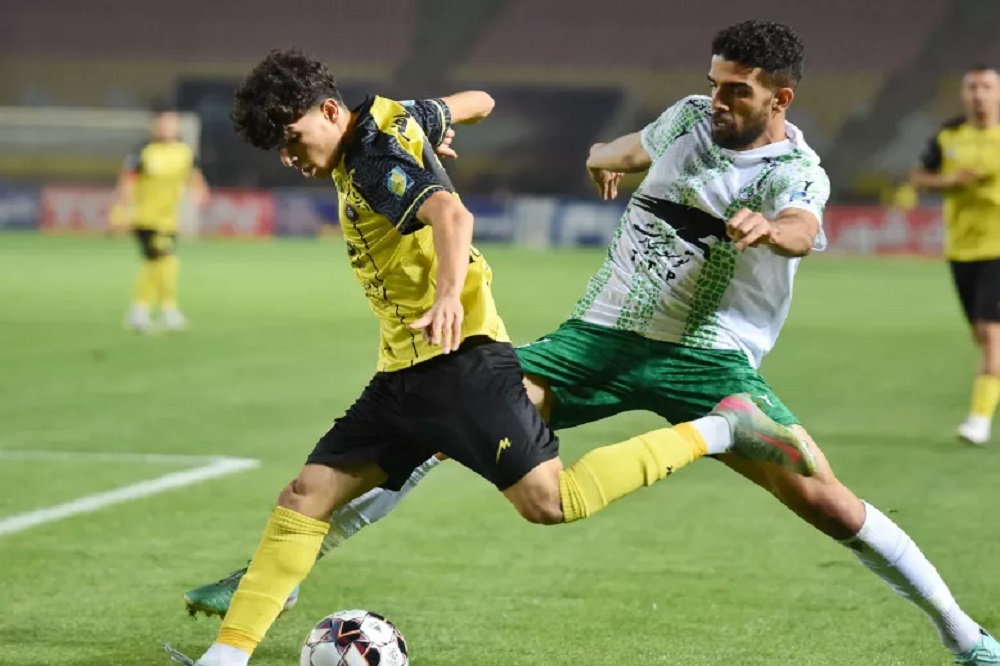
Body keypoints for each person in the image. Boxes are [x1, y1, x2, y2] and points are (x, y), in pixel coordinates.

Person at [183, 22, 1000, 666]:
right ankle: (282, 577)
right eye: (714, 82)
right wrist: (603, 158)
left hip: (707, 356)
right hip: (595, 339)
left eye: (737, 91)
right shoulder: (688, 116)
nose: (717, 100)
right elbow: (626, 150)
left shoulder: (796, 173)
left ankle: (963, 634)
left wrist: (770, 229)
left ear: (779, 98)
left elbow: (802, 227)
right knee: (438, 427)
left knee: (829, 502)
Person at [911, 64, 1000, 446]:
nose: (979, 94)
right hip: (962, 250)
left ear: (998, 93)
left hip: (998, 248)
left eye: (986, 87)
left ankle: (978, 421)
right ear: (964, 93)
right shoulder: (948, 136)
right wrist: (951, 181)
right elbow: (919, 178)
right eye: (972, 87)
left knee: (990, 331)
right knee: (981, 334)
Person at [113, 106, 209, 333]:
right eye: (163, 123)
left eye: (171, 122)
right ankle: (166, 310)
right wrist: (121, 209)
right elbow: (127, 181)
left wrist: (201, 191)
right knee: (166, 261)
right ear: (155, 126)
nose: (167, 127)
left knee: (155, 263)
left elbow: (194, 176)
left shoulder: (184, 152)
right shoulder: (143, 151)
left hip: (169, 219)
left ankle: (141, 310)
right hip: (145, 217)